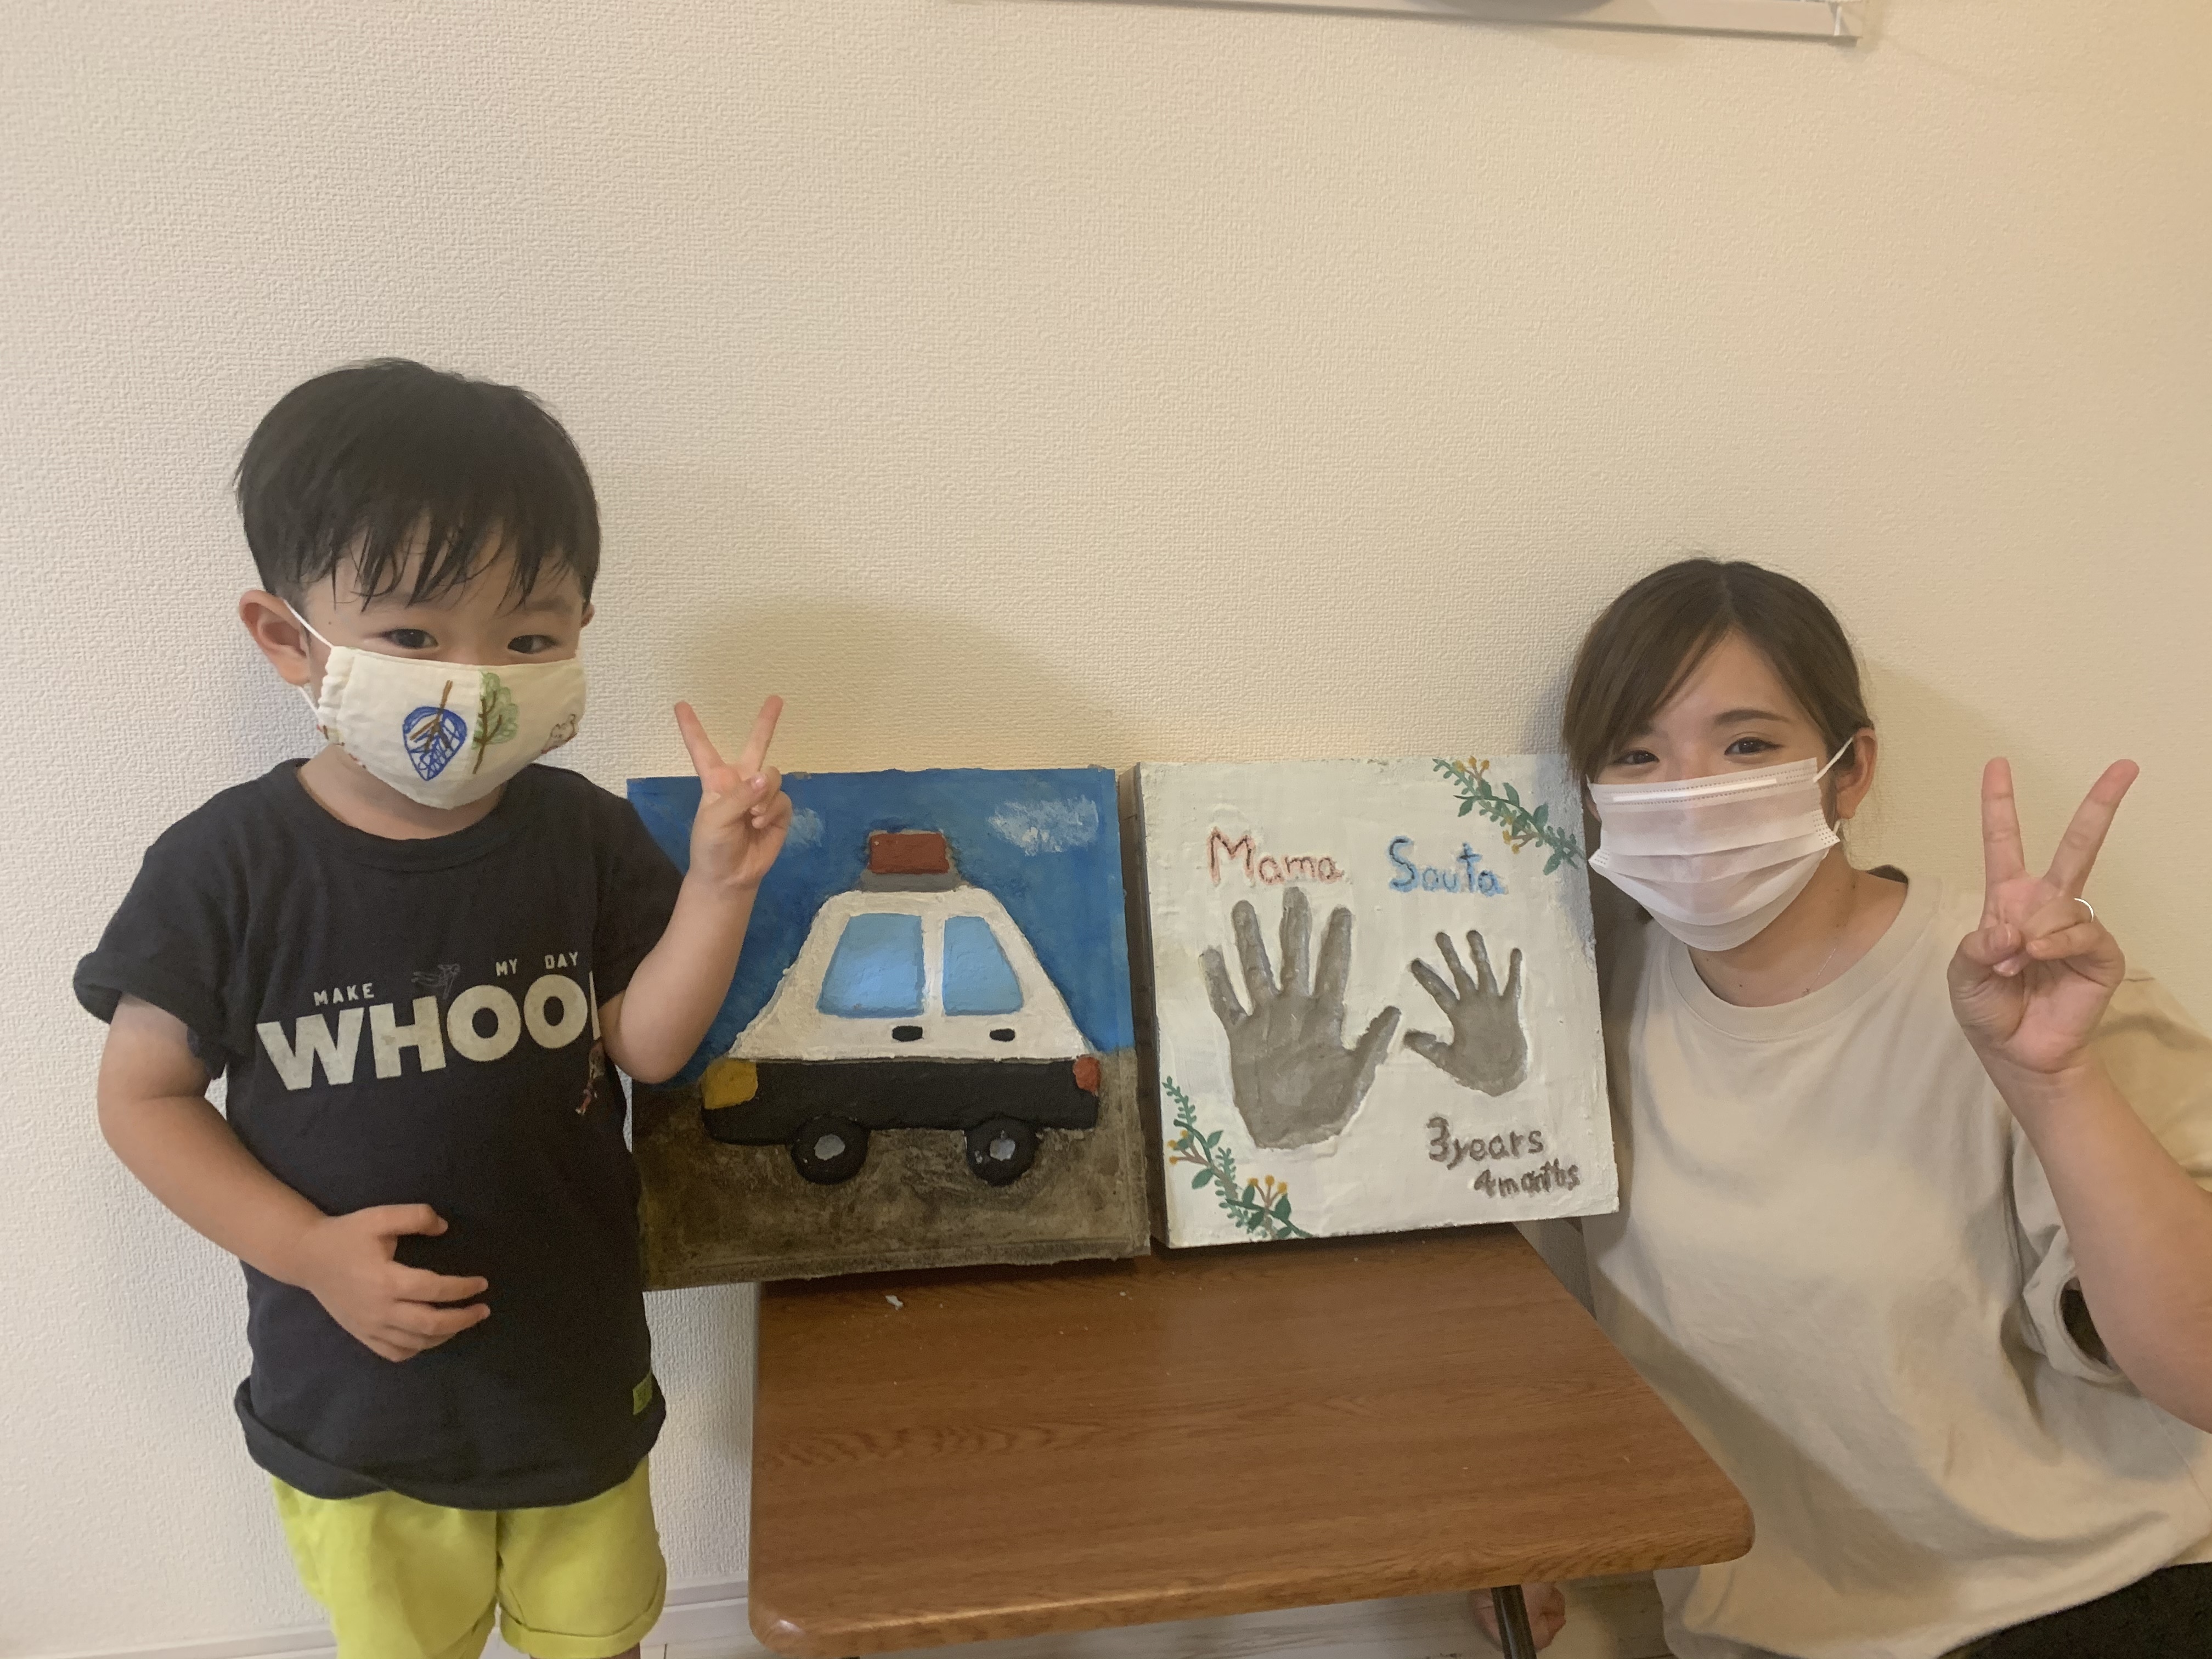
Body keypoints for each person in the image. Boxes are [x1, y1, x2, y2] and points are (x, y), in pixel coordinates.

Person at [75, 360, 793, 1659]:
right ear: (287, 638)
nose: (477, 681)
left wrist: (719, 889)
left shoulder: (583, 836)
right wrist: (307, 1252)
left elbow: (646, 1045)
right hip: (356, 1407)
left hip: (569, 1380)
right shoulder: (225, 867)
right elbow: (143, 1096)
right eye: (412, 638)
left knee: (598, 1639)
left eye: (529, 639)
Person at [1475, 559, 2212, 1658]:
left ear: (1850, 769)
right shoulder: (1572, 1009)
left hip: (2090, 1598)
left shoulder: (2025, 990)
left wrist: (2054, 1082)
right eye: (1636, 755)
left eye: (1746, 745)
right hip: (1762, 1633)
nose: (1689, 792)